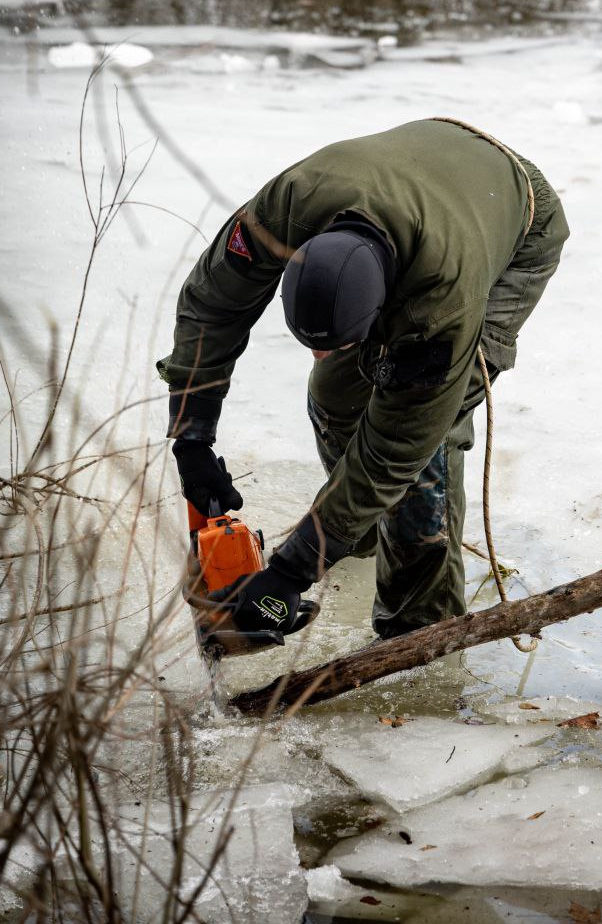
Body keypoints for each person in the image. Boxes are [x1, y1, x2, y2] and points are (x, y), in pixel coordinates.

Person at [158, 118, 569, 640]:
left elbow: (398, 447)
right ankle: (361, 532)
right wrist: (192, 436)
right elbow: (212, 306)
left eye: (336, 341)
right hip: (421, 174)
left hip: (515, 215)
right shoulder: (286, 209)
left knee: (427, 450)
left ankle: (420, 629)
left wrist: (292, 570)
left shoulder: (439, 300)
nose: (321, 353)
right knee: (336, 390)